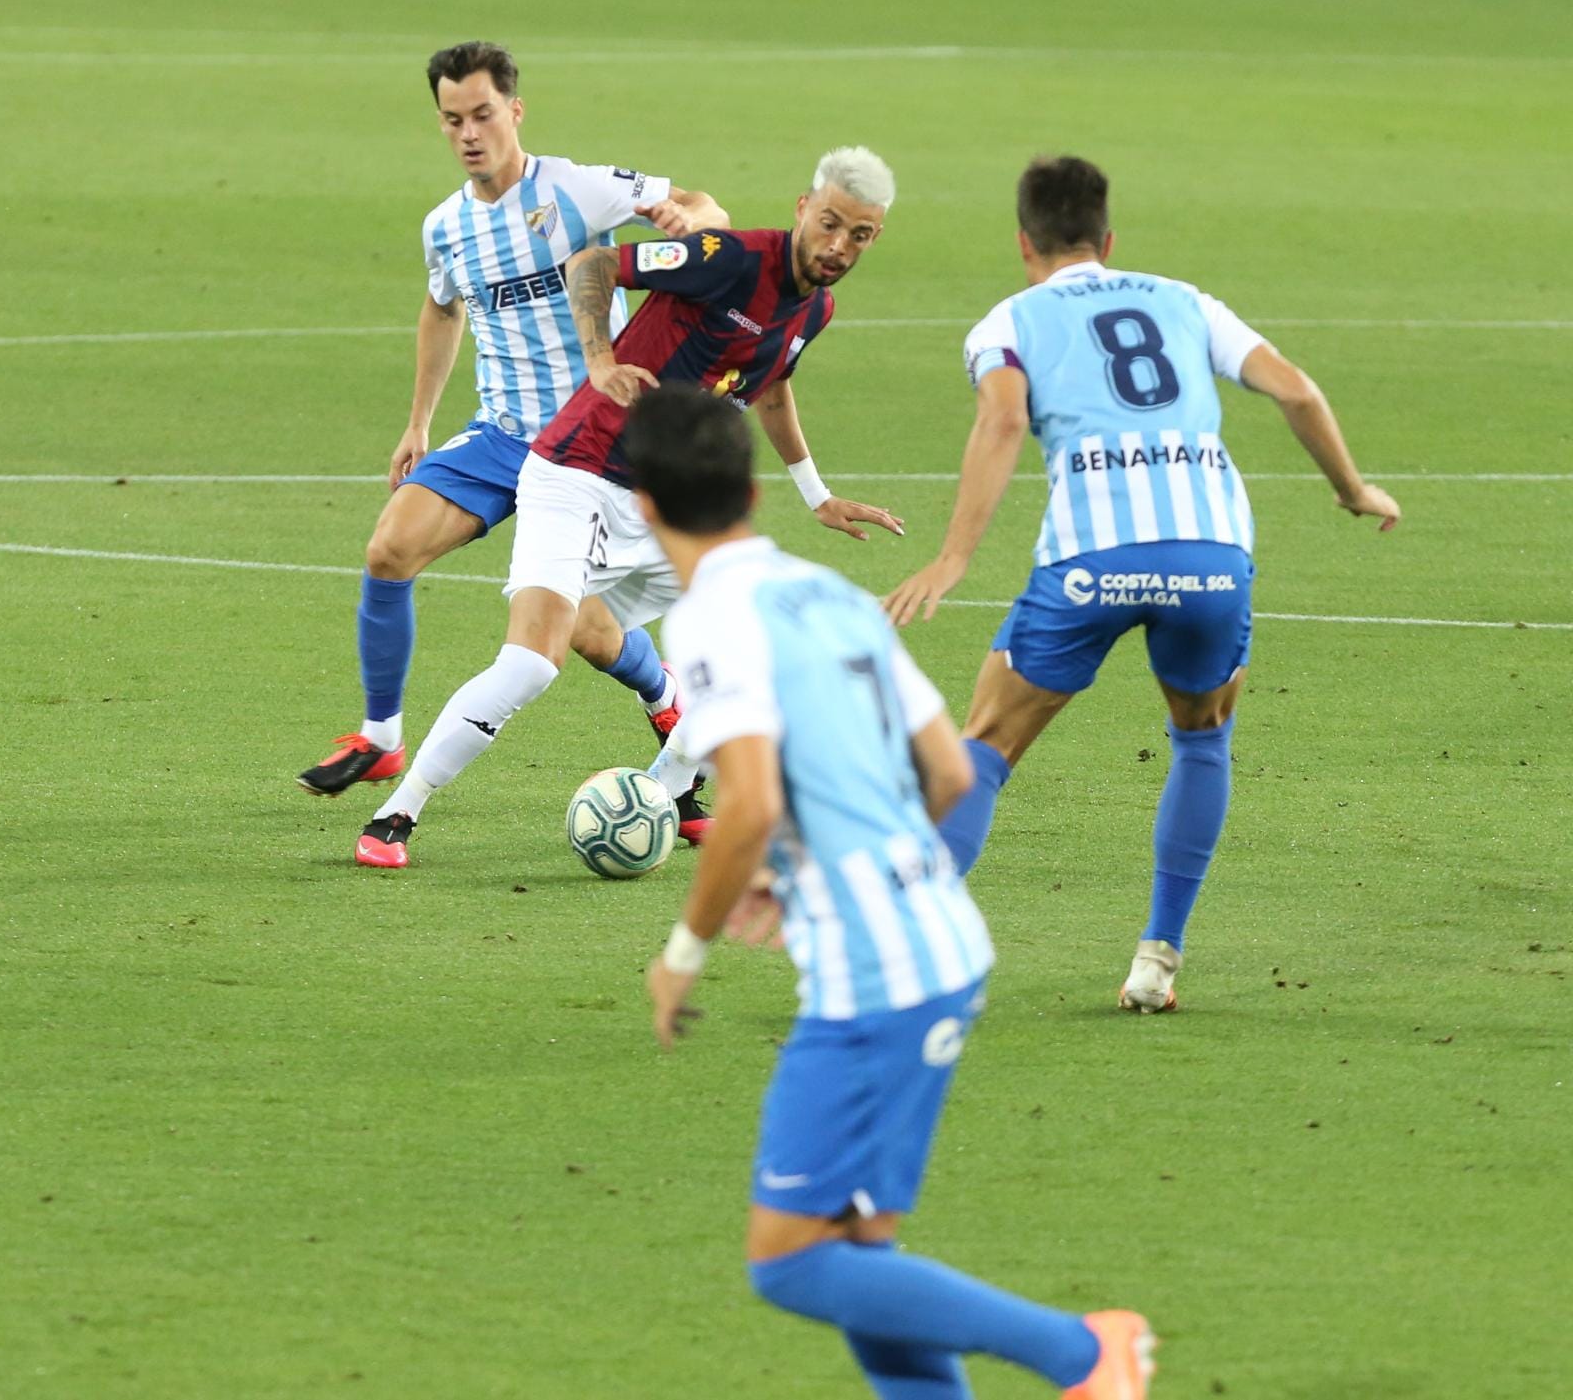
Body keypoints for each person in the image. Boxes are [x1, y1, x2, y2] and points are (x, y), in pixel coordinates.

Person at [631, 384, 1156, 1400]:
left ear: (645, 505)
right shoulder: (825, 591)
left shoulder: (708, 621)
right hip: (942, 941)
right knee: (858, 1251)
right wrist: (812, 863)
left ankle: (1083, 1351)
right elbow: (950, 771)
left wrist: (683, 952)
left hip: (874, 983)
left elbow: (747, 804)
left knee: (791, 1262)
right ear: (752, 490)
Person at [885, 155, 1401, 1014]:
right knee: (1202, 738)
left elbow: (1004, 418)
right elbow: (1299, 392)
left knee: (987, 742)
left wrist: (953, 558)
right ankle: (1157, 960)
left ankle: (897, 957)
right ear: (1108, 238)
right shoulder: (1188, 302)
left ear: (1025, 243)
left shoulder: (1007, 321)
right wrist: (1352, 490)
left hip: (1090, 561)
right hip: (1210, 556)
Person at [353, 148, 905, 869]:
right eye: (829, 223)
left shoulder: (816, 307)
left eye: (858, 235)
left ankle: (664, 793)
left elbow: (771, 386)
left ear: (874, 238)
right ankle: (398, 811)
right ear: (804, 208)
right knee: (532, 663)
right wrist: (600, 361)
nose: (837, 246)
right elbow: (593, 265)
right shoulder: (729, 258)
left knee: (746, 653)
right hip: (577, 471)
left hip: (665, 504)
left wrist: (817, 493)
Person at [296, 39, 727, 802]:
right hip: (502, 434)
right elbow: (441, 309)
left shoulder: (577, 190)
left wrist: (680, 216)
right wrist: (419, 423)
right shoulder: (445, 226)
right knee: (390, 548)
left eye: (483, 114)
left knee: (584, 629)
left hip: (591, 446)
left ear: (515, 110)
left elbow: (706, 208)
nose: (469, 133)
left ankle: (664, 697)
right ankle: (383, 737)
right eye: (453, 119)